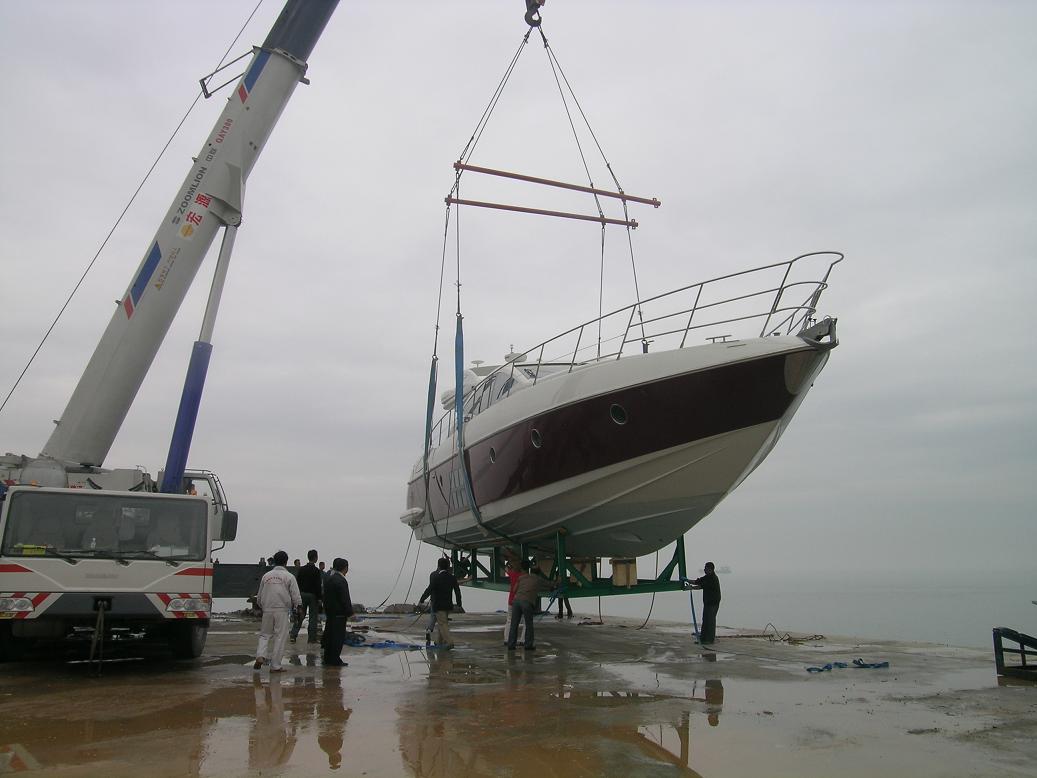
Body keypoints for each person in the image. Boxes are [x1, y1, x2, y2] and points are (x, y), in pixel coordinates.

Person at [254, 550, 302, 673]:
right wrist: (298, 607)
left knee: (264, 635)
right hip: (282, 610)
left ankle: (260, 655)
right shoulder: (289, 576)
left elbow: (259, 596)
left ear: (274, 561)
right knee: (280, 637)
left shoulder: (266, 576)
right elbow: (296, 595)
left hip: (267, 609)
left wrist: (262, 606)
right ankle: (275, 665)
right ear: (286, 562)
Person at [507, 560, 554, 651]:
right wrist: (557, 583)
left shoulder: (521, 578)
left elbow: (514, 590)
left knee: (514, 624)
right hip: (527, 602)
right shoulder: (537, 578)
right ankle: (528, 645)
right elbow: (549, 584)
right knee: (529, 624)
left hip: (516, 601)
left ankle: (511, 645)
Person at [419, 558, 462, 649]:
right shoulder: (452, 578)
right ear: (448, 566)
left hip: (438, 606)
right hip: (448, 605)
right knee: (442, 623)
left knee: (443, 624)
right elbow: (457, 591)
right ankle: (439, 641)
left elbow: (429, 590)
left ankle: (449, 642)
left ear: (438, 566)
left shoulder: (436, 577)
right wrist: (459, 603)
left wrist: (422, 599)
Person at [322, 557, 353, 667]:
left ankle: (327, 658)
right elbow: (345, 598)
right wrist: (350, 612)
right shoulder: (341, 581)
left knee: (329, 636)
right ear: (345, 568)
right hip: (339, 614)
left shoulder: (329, 579)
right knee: (338, 638)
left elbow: (324, 596)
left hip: (330, 613)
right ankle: (335, 660)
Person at [291, 549, 323, 645]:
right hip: (313, 596)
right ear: (316, 558)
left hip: (302, 594)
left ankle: (293, 635)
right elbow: (318, 586)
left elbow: (297, 582)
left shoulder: (302, 569)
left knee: (300, 615)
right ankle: (311, 639)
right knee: (313, 618)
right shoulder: (316, 571)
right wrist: (320, 598)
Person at [690, 561, 722, 644]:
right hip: (707, 602)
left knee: (710, 621)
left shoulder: (713, 578)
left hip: (713, 603)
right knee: (705, 620)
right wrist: (687, 580)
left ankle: (709, 640)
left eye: (706, 568)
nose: (704, 570)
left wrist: (691, 588)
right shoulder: (707, 577)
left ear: (710, 569)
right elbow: (698, 581)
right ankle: (703, 639)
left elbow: (701, 586)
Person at [501, 555, 526, 646]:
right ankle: (523, 640)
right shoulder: (524, 576)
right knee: (526, 621)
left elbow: (506, 568)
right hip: (522, 600)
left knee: (509, 620)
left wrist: (509, 561)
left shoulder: (512, 574)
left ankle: (507, 639)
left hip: (512, 600)